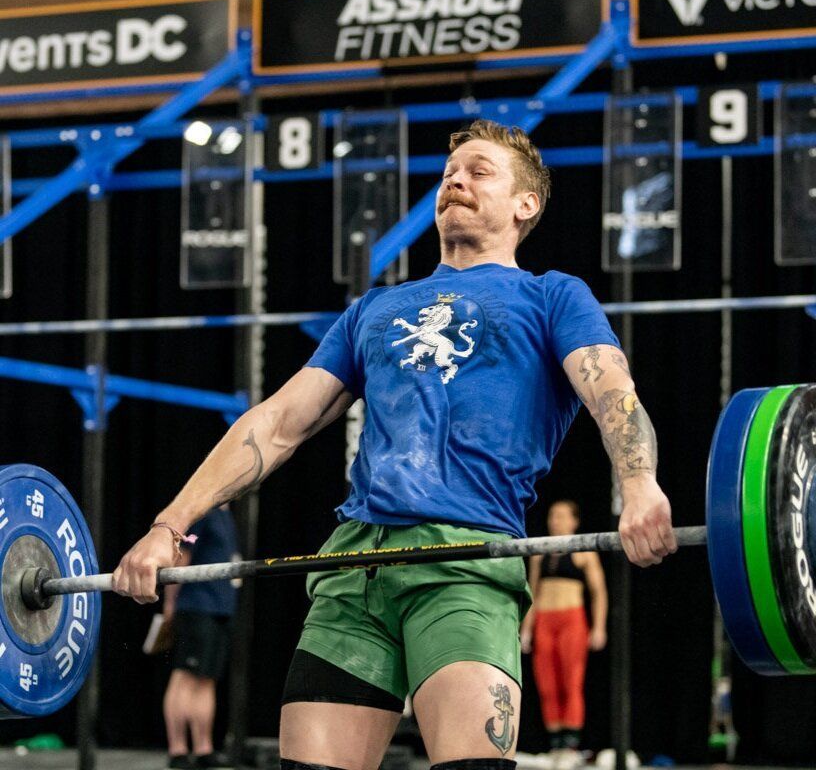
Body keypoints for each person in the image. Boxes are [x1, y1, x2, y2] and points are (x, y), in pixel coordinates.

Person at [112, 119, 677, 769]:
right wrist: (169, 525)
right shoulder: (373, 311)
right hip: (354, 569)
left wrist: (638, 486)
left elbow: (612, 391)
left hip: (464, 561)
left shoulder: (551, 296)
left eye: (479, 170)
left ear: (527, 204)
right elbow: (274, 425)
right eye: (449, 173)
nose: (456, 180)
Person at [520, 501, 607, 769]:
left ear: (574, 521)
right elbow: (532, 592)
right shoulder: (539, 552)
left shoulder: (584, 551)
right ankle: (556, 746)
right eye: (551, 515)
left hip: (572, 620)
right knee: (547, 684)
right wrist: (526, 628)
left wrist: (599, 627)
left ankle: (570, 746)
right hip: (545, 621)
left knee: (571, 683)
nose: (555, 521)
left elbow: (599, 592)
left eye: (561, 516)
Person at [161, 505, 239, 770]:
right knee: (185, 675)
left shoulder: (226, 515)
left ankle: (203, 748)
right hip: (196, 606)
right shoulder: (202, 511)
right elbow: (184, 553)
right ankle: (178, 749)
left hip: (221, 607)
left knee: (207, 680)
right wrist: (170, 603)